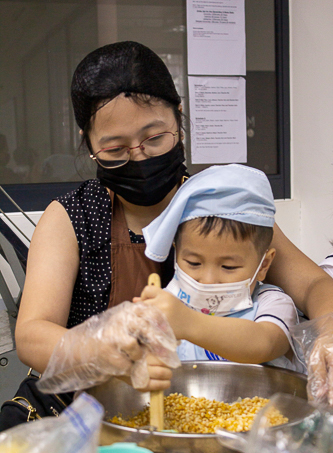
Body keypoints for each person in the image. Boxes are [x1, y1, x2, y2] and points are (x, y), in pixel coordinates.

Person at [14, 41, 333, 407]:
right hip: (88, 410)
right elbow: (32, 336)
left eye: (153, 138)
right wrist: (108, 354)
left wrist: (328, 333)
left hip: (210, 403)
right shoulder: (74, 217)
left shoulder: (221, 207)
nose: (139, 156)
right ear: (89, 143)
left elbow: (314, 285)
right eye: (115, 149)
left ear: (178, 120)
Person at [135, 164, 305, 372]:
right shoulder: (169, 303)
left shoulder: (273, 304)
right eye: (194, 263)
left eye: (228, 266)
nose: (207, 280)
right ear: (176, 251)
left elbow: (264, 344)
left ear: (264, 264)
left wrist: (187, 323)